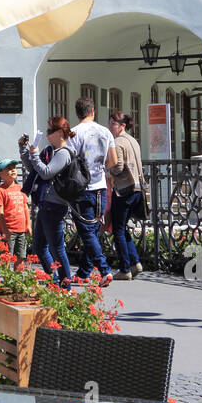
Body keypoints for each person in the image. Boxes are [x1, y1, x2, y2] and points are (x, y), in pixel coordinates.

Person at [18, 117, 77, 288]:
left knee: (57, 248)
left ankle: (66, 288)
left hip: (55, 205)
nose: (48, 134)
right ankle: (54, 281)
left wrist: (35, 154)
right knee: (39, 247)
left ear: (60, 133)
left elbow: (46, 173)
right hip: (45, 203)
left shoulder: (64, 153)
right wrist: (24, 149)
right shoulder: (50, 150)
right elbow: (34, 168)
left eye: (50, 131)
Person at [70, 96, 117, 286]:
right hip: (100, 186)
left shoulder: (74, 133)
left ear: (77, 113)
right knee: (93, 231)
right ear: (92, 111)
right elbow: (113, 162)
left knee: (86, 232)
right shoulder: (105, 132)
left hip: (81, 188)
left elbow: (70, 161)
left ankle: (104, 270)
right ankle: (83, 272)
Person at [106, 110, 146, 280]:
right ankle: (135, 263)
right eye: (109, 122)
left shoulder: (119, 142)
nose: (110, 126)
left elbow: (118, 166)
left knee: (118, 230)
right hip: (137, 189)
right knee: (122, 228)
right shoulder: (133, 140)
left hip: (123, 190)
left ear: (122, 126)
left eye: (113, 123)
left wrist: (108, 171)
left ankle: (124, 269)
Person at [0, 158, 31, 259]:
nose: (13, 170)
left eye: (14, 168)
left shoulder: (21, 188)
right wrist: (5, 230)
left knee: (21, 256)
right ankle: (7, 275)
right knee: (6, 257)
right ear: (0, 173)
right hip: (8, 229)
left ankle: (16, 274)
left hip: (21, 229)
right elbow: (0, 212)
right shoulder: (0, 190)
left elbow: (25, 207)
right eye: (9, 168)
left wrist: (28, 225)